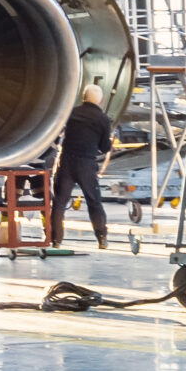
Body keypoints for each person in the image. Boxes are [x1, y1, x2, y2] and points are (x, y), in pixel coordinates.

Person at [49, 83, 114, 249]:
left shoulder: (71, 113)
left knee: (59, 203)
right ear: (101, 100)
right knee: (94, 202)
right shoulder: (103, 119)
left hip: (67, 162)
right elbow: (104, 147)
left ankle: (56, 240)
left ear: (83, 97)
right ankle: (101, 239)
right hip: (86, 164)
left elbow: (58, 132)